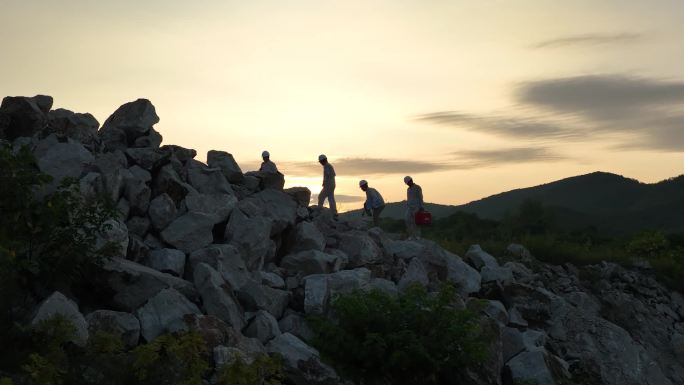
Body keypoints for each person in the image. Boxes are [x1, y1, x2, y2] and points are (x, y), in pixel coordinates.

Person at [404, 176, 424, 240]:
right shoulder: (408, 189)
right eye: (407, 183)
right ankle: (411, 235)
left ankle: (418, 235)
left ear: (411, 180)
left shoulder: (418, 187)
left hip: (417, 206)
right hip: (409, 207)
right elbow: (408, 198)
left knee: (416, 221)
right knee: (407, 220)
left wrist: (421, 206)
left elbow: (421, 197)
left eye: (408, 182)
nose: (408, 184)